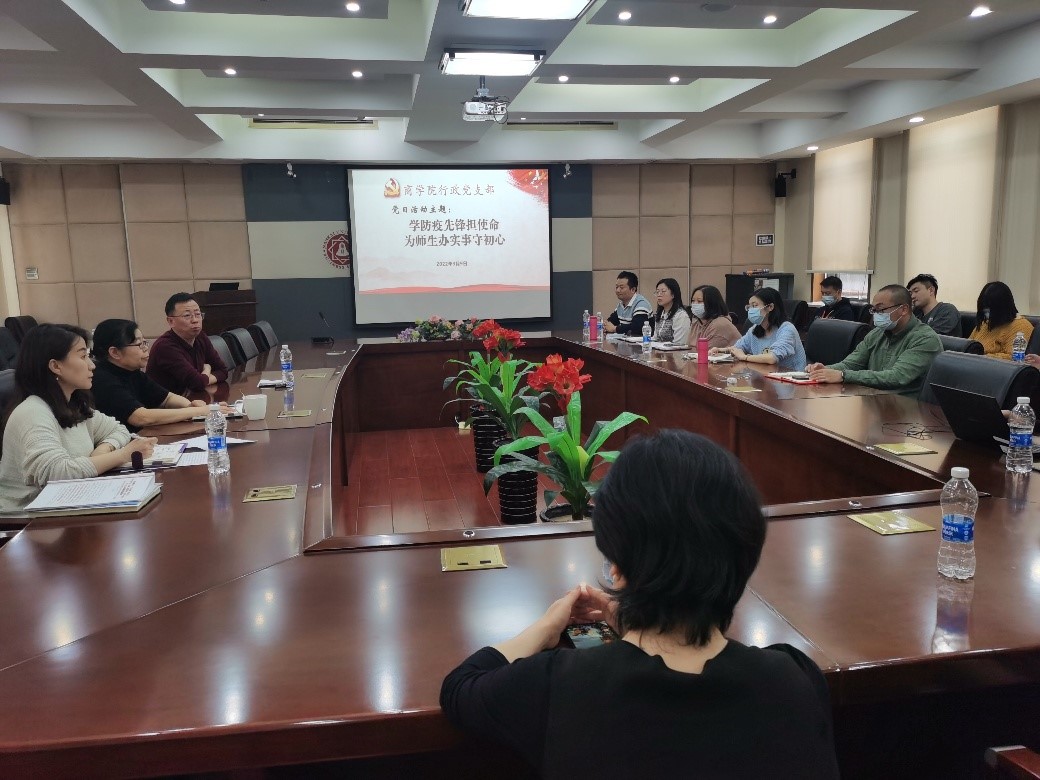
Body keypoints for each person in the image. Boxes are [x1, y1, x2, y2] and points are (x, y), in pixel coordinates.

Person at [441, 430, 840, 778]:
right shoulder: (794, 680)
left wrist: (546, 628)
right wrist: (632, 618)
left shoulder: (560, 685)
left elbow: (460, 687)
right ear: (744, 556)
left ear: (617, 567)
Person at [0, 324, 156, 513]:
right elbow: (56, 473)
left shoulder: (73, 404)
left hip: (68, 505)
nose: (92, 365)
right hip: (26, 518)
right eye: (83, 356)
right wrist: (123, 454)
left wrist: (103, 450)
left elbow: (118, 429)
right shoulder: (33, 412)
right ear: (55, 366)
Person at [806, 284, 942, 396]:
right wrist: (824, 370)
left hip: (907, 410)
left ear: (904, 309)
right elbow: (851, 363)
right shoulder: (877, 333)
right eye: (874, 310)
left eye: (881, 309)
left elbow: (896, 377)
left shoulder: (925, 339)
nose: (876, 315)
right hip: (874, 401)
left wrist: (843, 375)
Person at [90, 319, 224, 432]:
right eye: (139, 344)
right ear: (115, 352)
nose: (145, 348)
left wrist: (190, 405)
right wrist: (199, 411)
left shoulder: (132, 372)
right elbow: (141, 417)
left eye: (144, 342)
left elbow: (167, 398)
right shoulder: (102, 379)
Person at [146, 292, 229, 395]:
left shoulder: (200, 337)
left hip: (192, 398)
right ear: (171, 321)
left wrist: (204, 379)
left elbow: (223, 371)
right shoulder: (165, 347)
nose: (195, 320)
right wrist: (207, 369)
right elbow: (197, 383)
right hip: (168, 403)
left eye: (198, 314)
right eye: (187, 316)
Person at [710, 287, 807, 371]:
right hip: (766, 378)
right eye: (749, 307)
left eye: (755, 305)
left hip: (791, 381)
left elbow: (772, 358)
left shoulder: (787, 329)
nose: (751, 310)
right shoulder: (755, 329)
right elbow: (737, 348)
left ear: (770, 307)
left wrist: (745, 357)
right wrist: (719, 350)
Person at [968, 281, 1034, 360]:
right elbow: (967, 345)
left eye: (989, 308)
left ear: (1001, 308)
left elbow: (1013, 358)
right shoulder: (985, 323)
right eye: (984, 308)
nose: (986, 312)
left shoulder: (1022, 326)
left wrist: (981, 357)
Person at [689, 284, 741, 349]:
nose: (694, 304)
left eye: (699, 301)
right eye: (693, 301)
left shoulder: (719, 324)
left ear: (712, 303)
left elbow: (707, 352)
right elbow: (690, 347)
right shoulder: (696, 322)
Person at [604, 271, 652, 336]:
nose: (617, 290)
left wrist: (614, 329)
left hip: (643, 341)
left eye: (621, 287)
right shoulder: (621, 305)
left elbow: (637, 327)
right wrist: (605, 326)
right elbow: (610, 322)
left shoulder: (641, 304)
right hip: (627, 341)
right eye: (616, 287)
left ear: (633, 289)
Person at [650, 278, 691, 346]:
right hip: (659, 351)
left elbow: (679, 344)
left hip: (675, 352)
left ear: (673, 294)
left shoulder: (681, 316)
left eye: (663, 291)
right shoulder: (659, 314)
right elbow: (655, 338)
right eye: (657, 292)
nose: (659, 295)